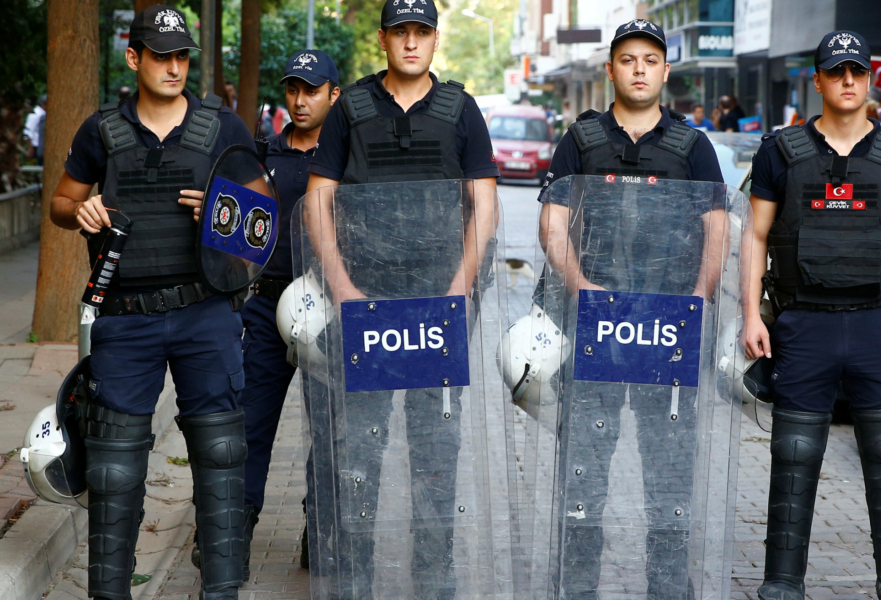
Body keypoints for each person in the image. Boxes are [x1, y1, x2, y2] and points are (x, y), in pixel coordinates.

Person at [47, 5, 256, 599]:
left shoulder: (224, 128)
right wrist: (81, 210)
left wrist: (222, 209)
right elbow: (60, 203)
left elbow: (260, 222)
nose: (173, 67)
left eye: (182, 56)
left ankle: (221, 593)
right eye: (161, 56)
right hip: (124, 319)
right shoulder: (101, 131)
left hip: (205, 313)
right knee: (112, 471)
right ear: (134, 58)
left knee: (221, 455)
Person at [303, 0, 498, 594]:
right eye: (400, 32)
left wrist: (460, 289)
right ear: (383, 39)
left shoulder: (462, 109)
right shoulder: (351, 109)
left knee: (436, 453)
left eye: (421, 32)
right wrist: (342, 289)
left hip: (437, 309)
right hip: (366, 307)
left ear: (435, 39)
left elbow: (485, 205)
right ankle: (354, 580)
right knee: (358, 454)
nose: (411, 42)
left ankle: (435, 579)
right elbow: (318, 200)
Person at [742, 30, 881, 600]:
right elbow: (755, 236)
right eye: (836, 71)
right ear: (818, 81)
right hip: (804, 323)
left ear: (869, 78)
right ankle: (782, 582)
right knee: (795, 454)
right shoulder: (779, 151)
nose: (848, 80)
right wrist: (751, 314)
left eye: (857, 70)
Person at [538, 17, 724, 599]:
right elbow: (552, 224)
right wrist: (581, 287)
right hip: (595, 325)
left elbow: (718, 231)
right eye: (627, 59)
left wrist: (697, 299)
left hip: (667, 330)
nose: (639, 69)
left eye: (649, 60)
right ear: (611, 69)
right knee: (583, 469)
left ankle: (668, 587)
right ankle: (576, 587)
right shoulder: (581, 140)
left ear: (665, 71)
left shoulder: (693, 147)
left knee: (669, 471)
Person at [188, 48, 341, 580]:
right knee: (248, 426)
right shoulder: (259, 156)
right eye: (293, 89)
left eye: (312, 90)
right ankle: (233, 533)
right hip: (265, 307)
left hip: (329, 310)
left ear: (333, 95)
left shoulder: (345, 158)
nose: (300, 100)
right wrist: (212, 208)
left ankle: (320, 530)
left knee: (331, 430)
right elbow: (234, 232)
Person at [23, 95, 46, 165]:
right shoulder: (35, 114)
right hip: (35, 146)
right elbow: (28, 131)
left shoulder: (44, 114)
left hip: (42, 145)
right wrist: (30, 147)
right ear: (43, 104)